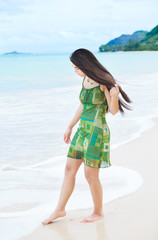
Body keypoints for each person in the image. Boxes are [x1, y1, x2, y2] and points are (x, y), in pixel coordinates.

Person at [42, 48, 132, 224]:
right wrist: (70, 126)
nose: (75, 71)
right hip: (82, 130)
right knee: (69, 169)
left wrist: (114, 97)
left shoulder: (104, 81)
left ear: (86, 64)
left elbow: (113, 111)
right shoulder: (85, 80)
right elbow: (83, 105)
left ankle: (98, 212)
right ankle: (59, 209)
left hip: (96, 132)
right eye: (74, 68)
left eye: (77, 67)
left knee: (90, 175)